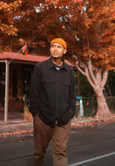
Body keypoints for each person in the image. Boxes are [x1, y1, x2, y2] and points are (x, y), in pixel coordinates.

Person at [28, 38, 76, 166]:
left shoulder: (69, 71)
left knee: (61, 152)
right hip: (43, 119)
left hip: (63, 120)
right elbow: (33, 93)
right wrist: (36, 114)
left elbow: (72, 95)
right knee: (39, 153)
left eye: (59, 47)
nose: (55, 49)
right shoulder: (40, 68)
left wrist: (69, 113)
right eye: (53, 46)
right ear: (50, 49)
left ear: (64, 50)